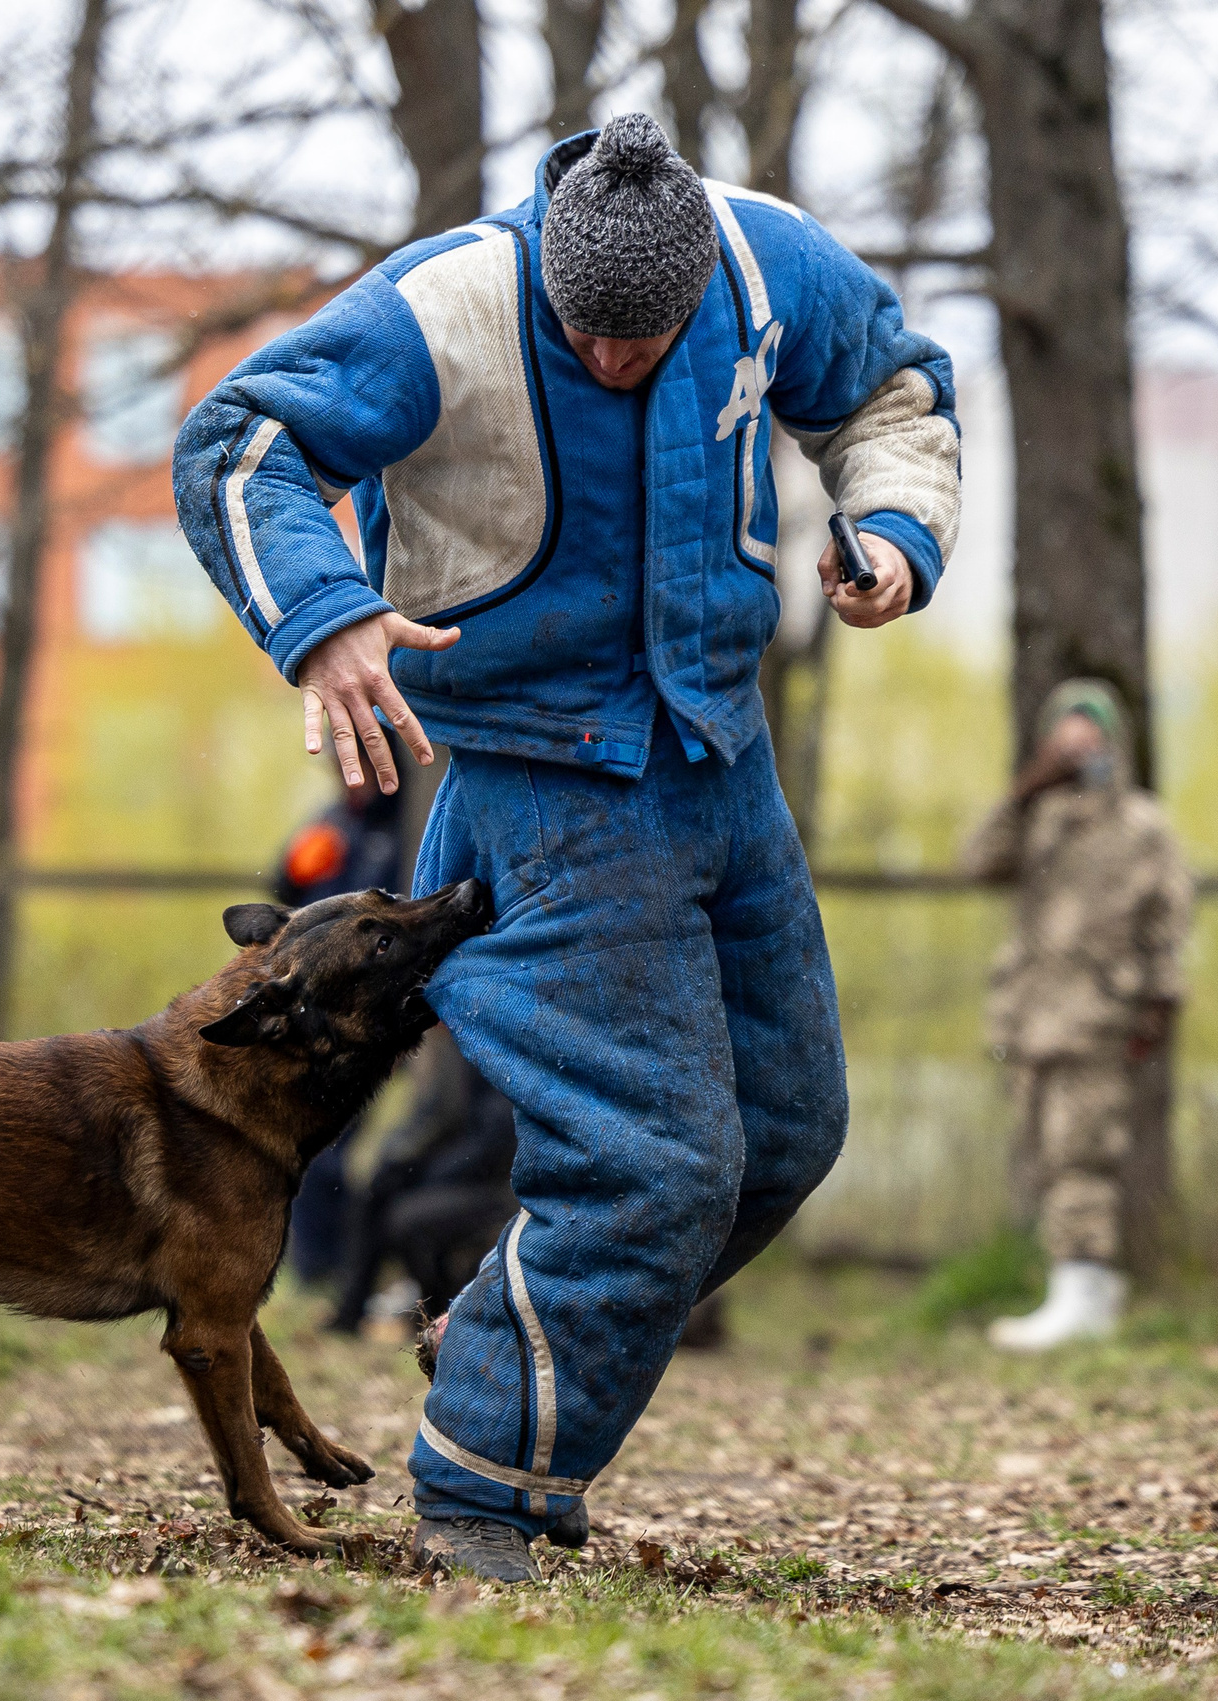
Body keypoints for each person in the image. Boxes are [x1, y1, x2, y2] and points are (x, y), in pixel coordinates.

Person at [175, 114, 959, 1580]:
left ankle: (503, 1340)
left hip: (723, 761)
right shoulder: (444, 305)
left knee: (784, 1135)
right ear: (547, 278)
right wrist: (325, 615)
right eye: (588, 333)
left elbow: (896, 392)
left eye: (647, 339)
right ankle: (481, 1479)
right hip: (544, 781)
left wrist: (897, 525)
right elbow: (245, 443)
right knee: (652, 1163)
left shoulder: (759, 261)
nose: (617, 360)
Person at [960, 681, 1191, 1350]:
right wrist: (1025, 788)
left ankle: (1084, 1295)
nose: (1078, 745)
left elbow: (1169, 921)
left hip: (1098, 1014)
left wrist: (1158, 1004)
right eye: (1065, 732)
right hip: (1029, 1017)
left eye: (1090, 731)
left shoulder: (1142, 825)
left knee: (1081, 1155)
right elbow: (976, 863)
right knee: (1040, 1156)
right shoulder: (1039, 817)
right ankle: (1078, 1291)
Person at [273, 764, 412, 1287]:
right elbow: (281, 890)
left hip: (375, 1012)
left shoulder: (405, 828)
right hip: (316, 1011)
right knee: (316, 1146)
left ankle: (343, 1269)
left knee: (342, 1148)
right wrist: (293, 868)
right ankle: (318, 1270)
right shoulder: (332, 823)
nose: (353, 777)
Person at [325, 1029, 519, 1335]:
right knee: (372, 1194)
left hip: (493, 1190)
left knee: (406, 1219)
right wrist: (400, 1162)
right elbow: (430, 1117)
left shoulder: (495, 1055)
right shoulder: (454, 1045)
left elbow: (490, 1142)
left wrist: (425, 1174)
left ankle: (441, 1313)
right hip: (457, 1175)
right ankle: (350, 1311)